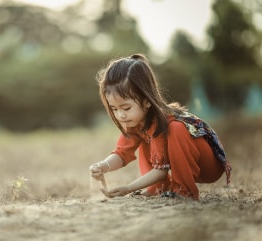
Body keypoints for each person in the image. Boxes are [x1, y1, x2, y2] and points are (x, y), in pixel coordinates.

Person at [89, 53, 231, 200]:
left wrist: (128, 188)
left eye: (126, 108)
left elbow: (160, 171)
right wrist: (103, 166)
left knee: (176, 129)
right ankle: (159, 188)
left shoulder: (162, 122)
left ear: (147, 101)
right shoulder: (134, 123)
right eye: (114, 109)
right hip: (183, 164)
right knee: (145, 139)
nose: (120, 115)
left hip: (208, 166)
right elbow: (121, 153)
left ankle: (185, 191)